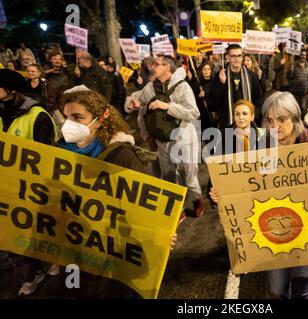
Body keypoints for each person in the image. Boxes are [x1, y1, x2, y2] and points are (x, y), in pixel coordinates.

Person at [209, 91, 308, 299]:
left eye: (282, 120)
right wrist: (221, 194)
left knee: (302, 287)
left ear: (294, 118)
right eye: (269, 121)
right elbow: (244, 185)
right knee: (278, 288)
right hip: (274, 229)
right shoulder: (261, 145)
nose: (274, 126)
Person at [57, 88, 177, 297]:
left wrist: (158, 232)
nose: (70, 124)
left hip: (114, 261)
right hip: (75, 256)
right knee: (75, 291)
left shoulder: (122, 157)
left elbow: (143, 210)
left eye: (78, 117)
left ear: (102, 117)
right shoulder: (58, 156)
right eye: (67, 117)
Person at [125, 55, 205, 218]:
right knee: (168, 177)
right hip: (162, 141)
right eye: (152, 64)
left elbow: (193, 113)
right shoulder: (149, 88)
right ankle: (178, 211)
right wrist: (134, 105)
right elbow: (141, 108)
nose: (151, 67)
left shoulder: (182, 87)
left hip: (183, 139)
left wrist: (167, 106)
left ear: (167, 67)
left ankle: (197, 201)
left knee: (188, 177)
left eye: (156, 64)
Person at [0, 69, 57, 296]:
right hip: (6, 189)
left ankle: (49, 261)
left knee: (37, 232)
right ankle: (30, 274)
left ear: (11, 91)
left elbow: (48, 157)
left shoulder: (37, 116)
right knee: (13, 239)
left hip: (32, 189)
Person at [209, 44, 264, 129]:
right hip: (227, 123)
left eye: (239, 56)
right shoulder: (220, 75)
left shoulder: (251, 75)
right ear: (228, 57)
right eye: (233, 56)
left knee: (246, 143)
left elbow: (259, 98)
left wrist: (254, 114)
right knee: (228, 142)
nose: (237, 59)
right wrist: (221, 84)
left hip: (247, 123)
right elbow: (213, 103)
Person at [288, 49, 308, 120]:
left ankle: (301, 122)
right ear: (299, 55)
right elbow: (289, 77)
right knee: (295, 109)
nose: (303, 56)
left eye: (305, 55)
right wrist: (290, 70)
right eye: (302, 54)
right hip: (294, 91)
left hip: (304, 92)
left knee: (303, 108)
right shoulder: (294, 65)